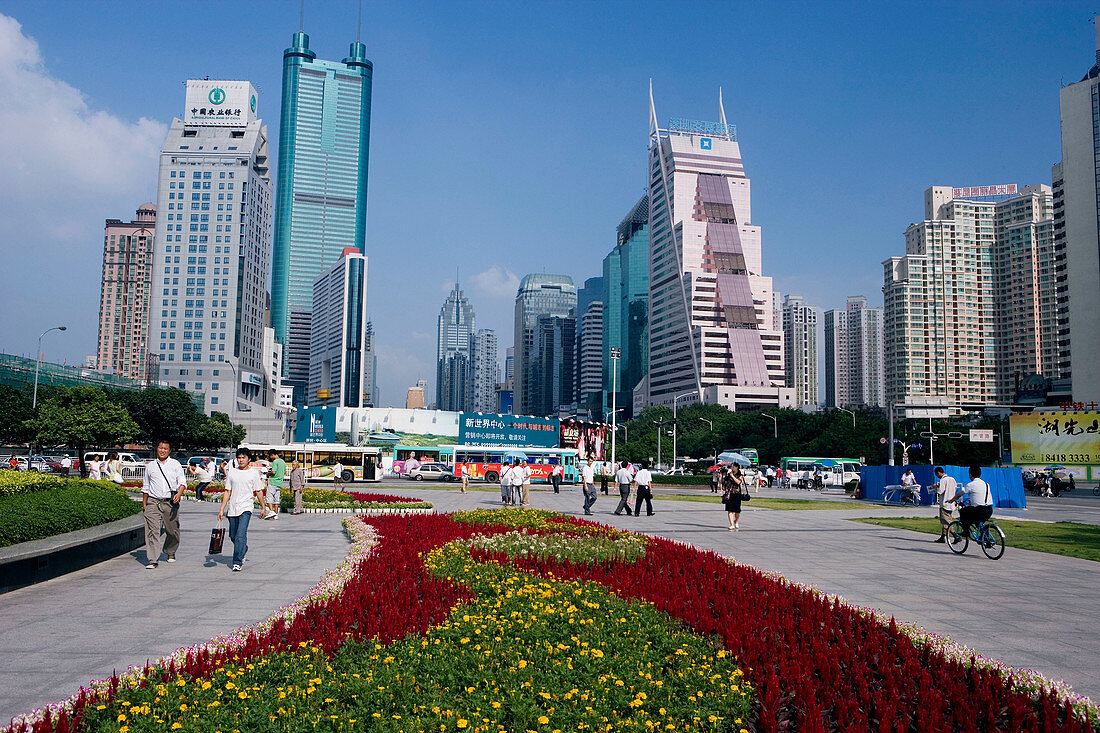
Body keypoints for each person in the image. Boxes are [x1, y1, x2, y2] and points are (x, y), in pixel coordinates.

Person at [141, 440, 187, 569]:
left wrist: (179, 493)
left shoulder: (175, 464)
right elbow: (146, 486)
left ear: (169, 450)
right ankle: (152, 559)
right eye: (160, 448)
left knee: (172, 530)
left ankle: (170, 551)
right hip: (153, 501)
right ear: (157, 449)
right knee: (152, 531)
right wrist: (145, 503)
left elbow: (182, 481)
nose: (162, 450)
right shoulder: (150, 466)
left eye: (165, 448)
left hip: (170, 502)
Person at [218, 447, 265, 572]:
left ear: (249, 459)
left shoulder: (253, 473)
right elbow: (227, 491)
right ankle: (243, 548)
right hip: (233, 507)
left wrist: (263, 507)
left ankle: (237, 561)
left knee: (240, 535)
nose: (241, 460)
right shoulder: (232, 472)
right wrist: (222, 509)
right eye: (239, 458)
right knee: (233, 536)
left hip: (246, 507)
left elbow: (259, 491)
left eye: (243, 457)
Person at [948, 465, 994, 538]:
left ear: (970, 475)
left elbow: (959, 495)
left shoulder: (970, 485)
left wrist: (951, 500)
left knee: (963, 512)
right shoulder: (986, 484)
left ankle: (966, 532)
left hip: (979, 510)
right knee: (978, 521)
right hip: (989, 509)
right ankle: (985, 537)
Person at [931, 466, 958, 543]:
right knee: (946, 520)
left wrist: (936, 487)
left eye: (937, 474)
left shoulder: (943, 480)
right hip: (951, 503)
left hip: (945, 503)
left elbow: (940, 491)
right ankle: (943, 537)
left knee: (946, 521)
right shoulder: (952, 479)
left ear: (939, 473)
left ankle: (955, 535)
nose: (937, 476)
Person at [722, 464, 745, 531]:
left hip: (737, 494)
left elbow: (738, 482)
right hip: (729, 494)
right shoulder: (728, 474)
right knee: (730, 510)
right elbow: (724, 481)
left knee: (737, 510)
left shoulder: (740, 475)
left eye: (733, 467)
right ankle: (732, 524)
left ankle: (736, 521)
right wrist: (725, 475)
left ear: (737, 467)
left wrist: (732, 476)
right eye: (731, 467)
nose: (732, 468)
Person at [265, 449, 286, 520]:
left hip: (273, 482)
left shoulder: (275, 461)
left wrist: (268, 473)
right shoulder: (283, 462)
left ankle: (271, 511)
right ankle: (276, 514)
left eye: (270, 456)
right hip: (279, 483)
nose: (270, 458)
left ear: (273, 455)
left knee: (269, 497)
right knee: (276, 499)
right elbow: (284, 472)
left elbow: (273, 472)